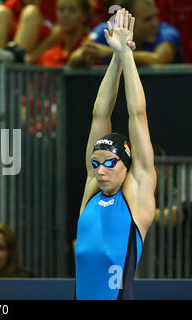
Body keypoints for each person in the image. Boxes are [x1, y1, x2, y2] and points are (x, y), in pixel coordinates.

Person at [75, 9, 156, 300]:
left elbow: (137, 114)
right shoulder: (92, 194)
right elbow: (99, 113)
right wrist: (115, 58)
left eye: (110, 163)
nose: (100, 171)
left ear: (127, 165)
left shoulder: (137, 195)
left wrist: (128, 56)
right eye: (95, 164)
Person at [69, 0, 183, 66]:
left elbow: (158, 60)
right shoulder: (106, 30)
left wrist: (113, 51)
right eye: (148, 19)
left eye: (156, 16)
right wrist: (85, 55)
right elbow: (74, 58)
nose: (155, 23)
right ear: (127, 22)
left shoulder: (167, 32)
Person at [0, 0, 61, 64]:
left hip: (33, 62)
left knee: (30, 13)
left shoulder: (55, 5)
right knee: (0, 12)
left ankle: (16, 65)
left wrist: (30, 58)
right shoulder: (13, 4)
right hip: (4, 59)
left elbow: (58, 33)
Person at [37, 0, 92, 67]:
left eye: (72, 10)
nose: (65, 15)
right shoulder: (47, 57)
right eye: (61, 9)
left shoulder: (92, 51)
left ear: (84, 15)